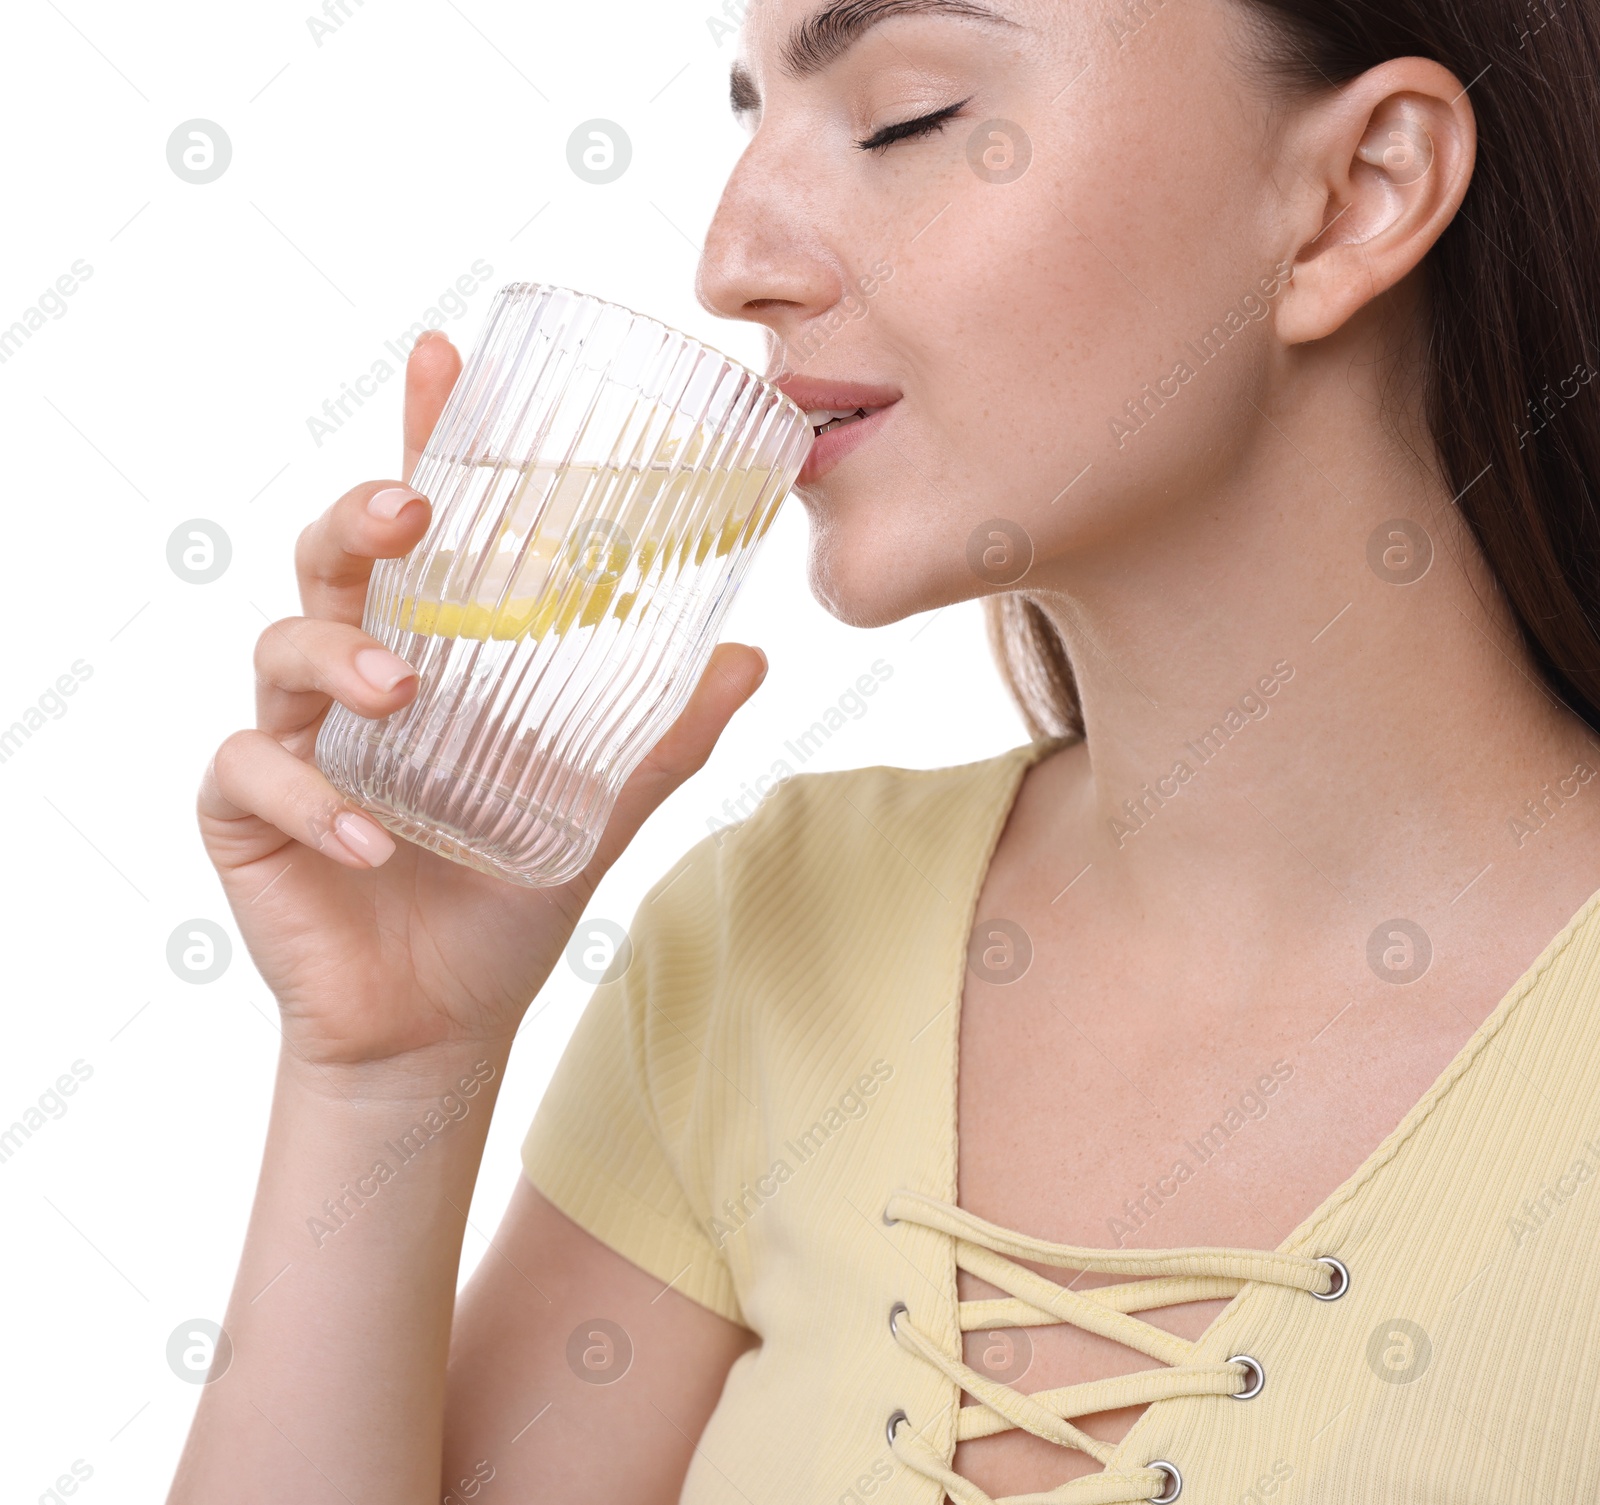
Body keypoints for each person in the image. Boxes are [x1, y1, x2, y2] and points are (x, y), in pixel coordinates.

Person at [169, 0, 1600, 1501]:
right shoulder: (769, 935)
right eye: (749, 117)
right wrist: (389, 1071)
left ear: (1354, 194)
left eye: (908, 114)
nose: (732, 262)